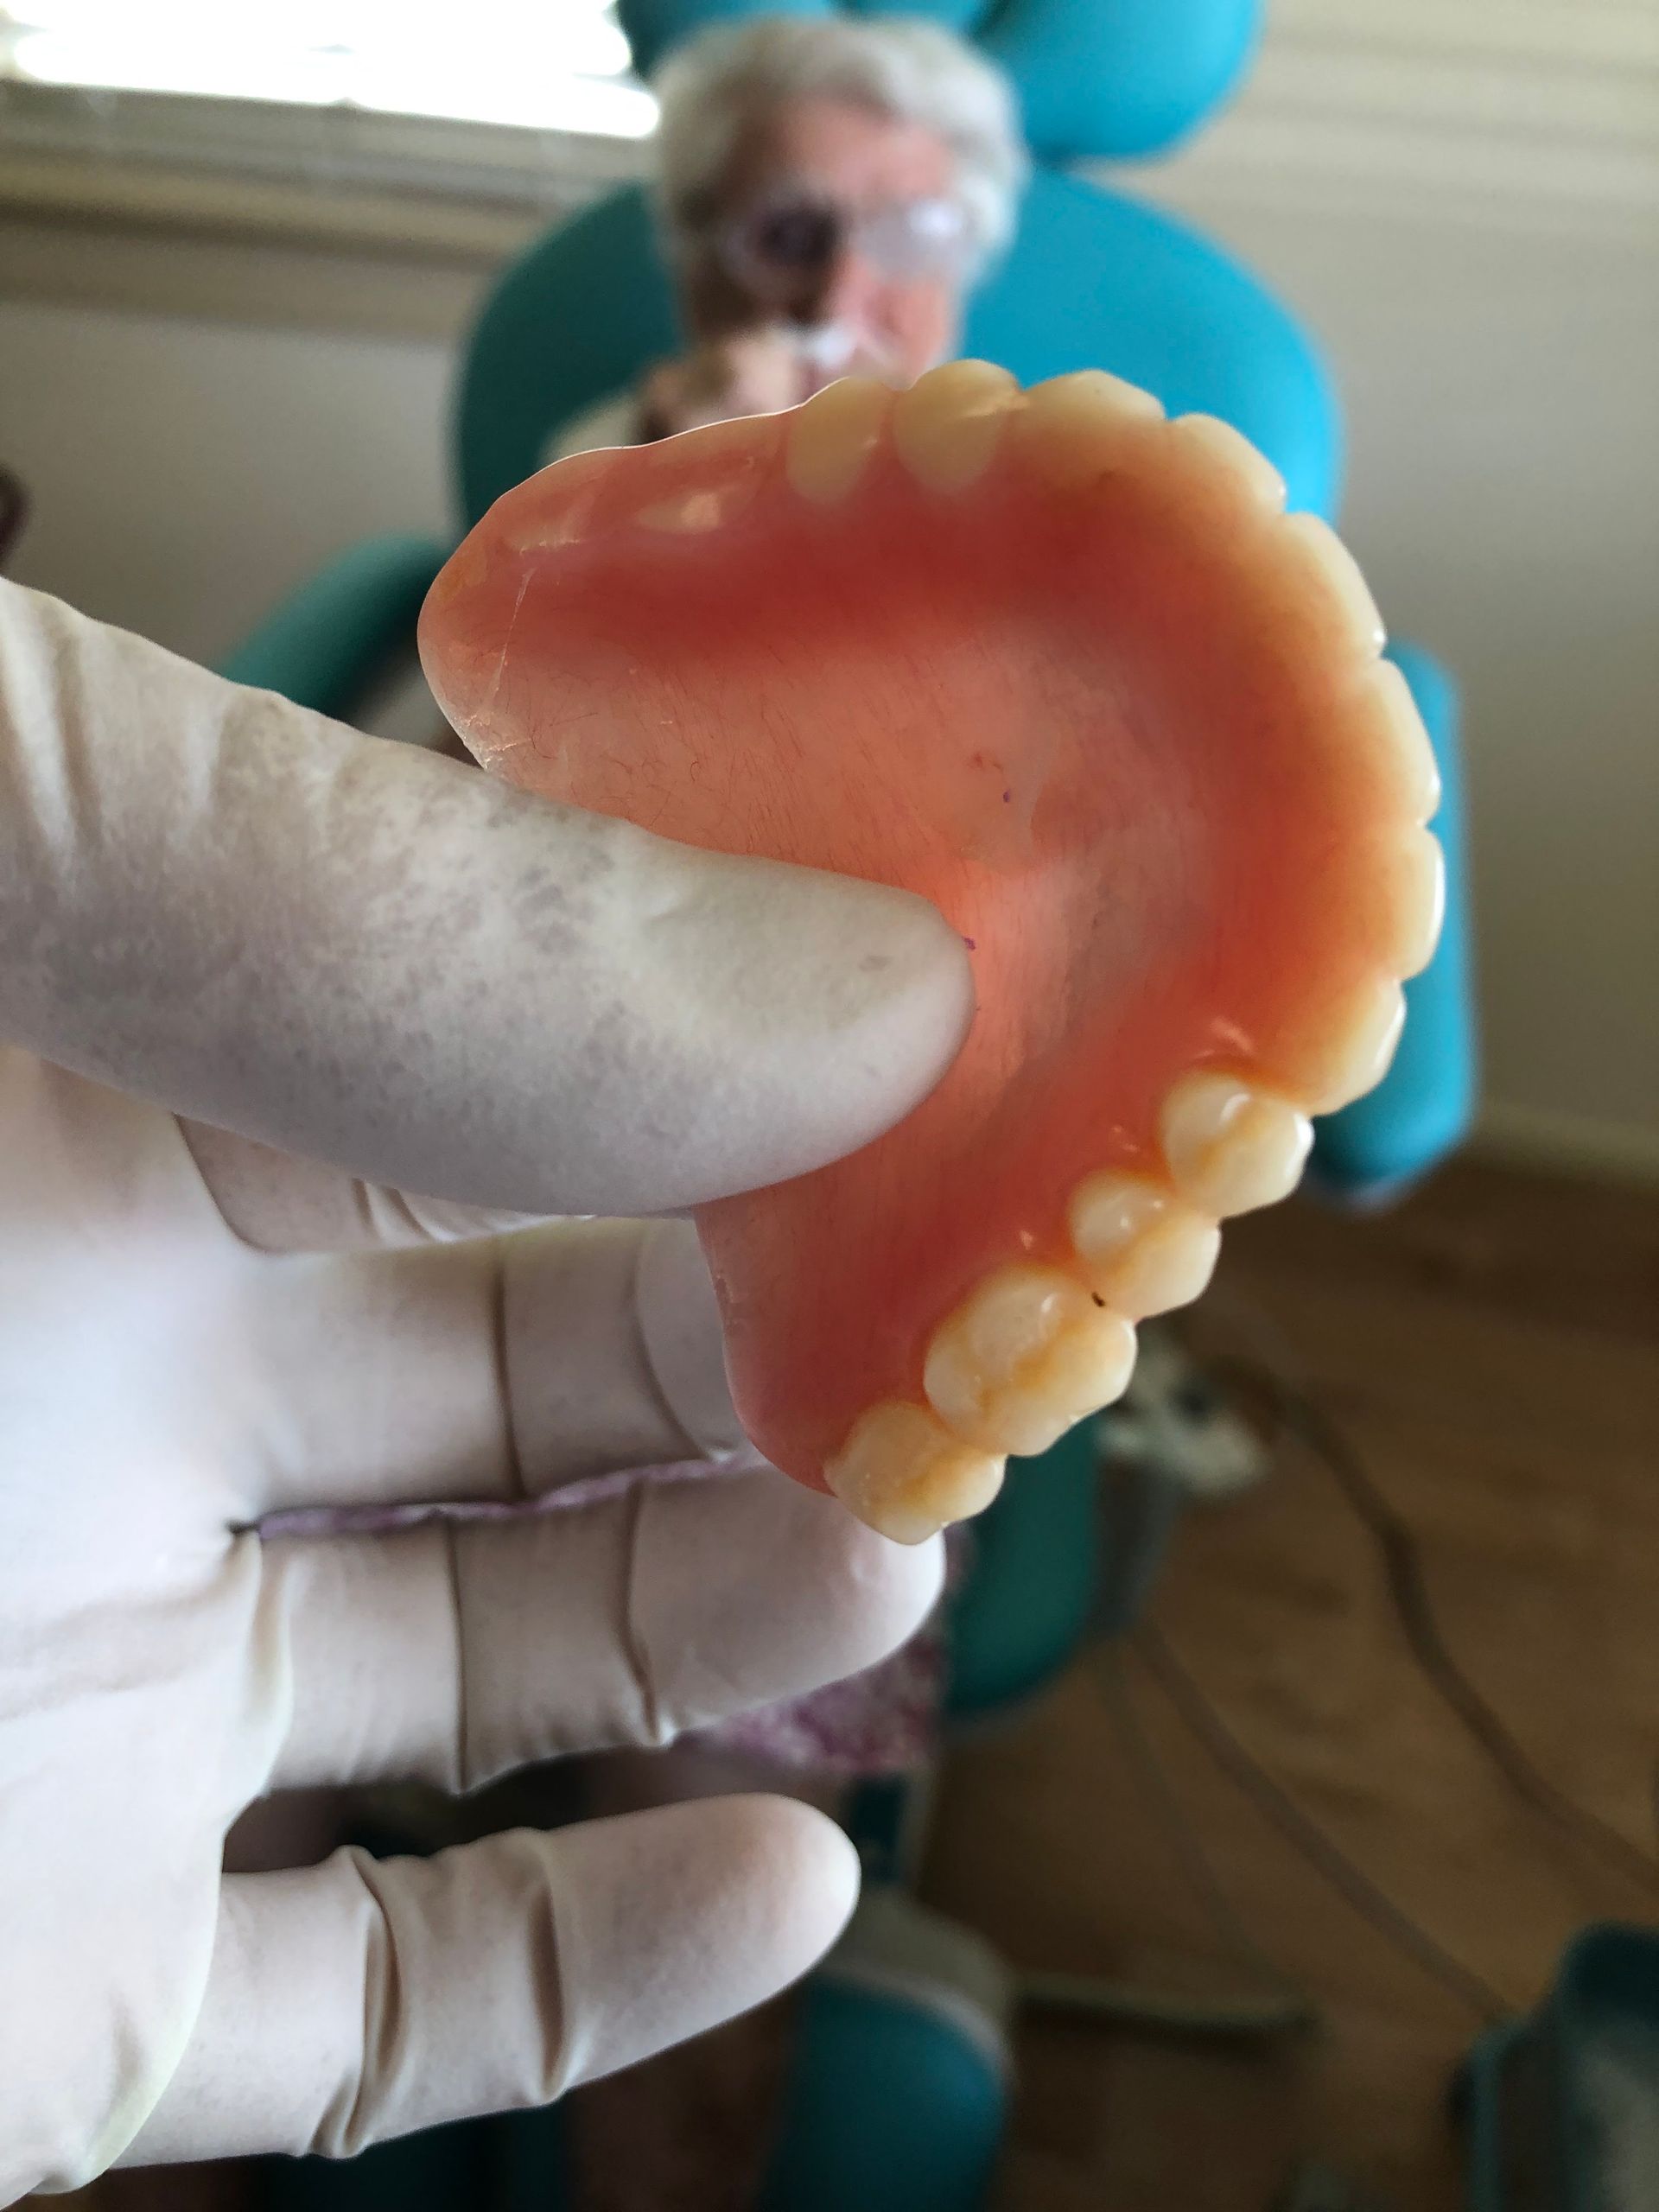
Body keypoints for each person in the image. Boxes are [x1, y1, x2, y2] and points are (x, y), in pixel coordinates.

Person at [0, 575, 972, 2203]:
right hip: (359, 1340)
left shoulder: (967, 621)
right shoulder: (526, 573)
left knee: (711, 1902)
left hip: (738, 1382)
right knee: (139, 1863)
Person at [550, 15, 1027, 456]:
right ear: (697, 271)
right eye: (789, 238)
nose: (835, 302)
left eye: (907, 237)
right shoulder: (596, 467)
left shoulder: (1031, 472)